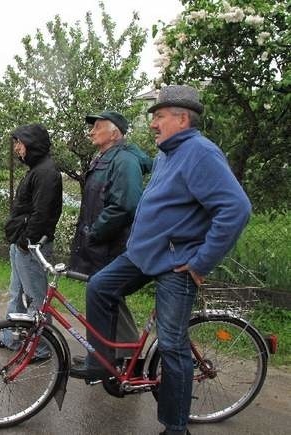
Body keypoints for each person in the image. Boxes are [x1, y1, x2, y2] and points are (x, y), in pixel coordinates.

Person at [69, 85, 252, 435]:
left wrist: (201, 263)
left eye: (159, 116)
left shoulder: (200, 152)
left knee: (171, 344)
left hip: (176, 264)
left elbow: (236, 209)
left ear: (182, 119)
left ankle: (175, 426)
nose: (153, 123)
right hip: (143, 254)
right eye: (153, 116)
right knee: (99, 286)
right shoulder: (169, 151)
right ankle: (105, 364)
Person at [69, 111, 151, 362]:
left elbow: (125, 205)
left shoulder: (124, 160)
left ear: (114, 133)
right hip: (101, 243)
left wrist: (95, 232)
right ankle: (116, 356)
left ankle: (109, 359)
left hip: (112, 243)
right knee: (108, 298)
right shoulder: (105, 157)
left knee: (105, 295)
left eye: (97, 127)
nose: (91, 132)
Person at [0, 123, 63, 359]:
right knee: (16, 293)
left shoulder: (46, 172)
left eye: (19, 143)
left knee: (36, 298)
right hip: (22, 244)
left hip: (32, 246)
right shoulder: (37, 169)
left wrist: (25, 241)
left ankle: (41, 348)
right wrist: (19, 241)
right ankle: (11, 338)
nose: (17, 149)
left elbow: (43, 214)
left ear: (31, 144)